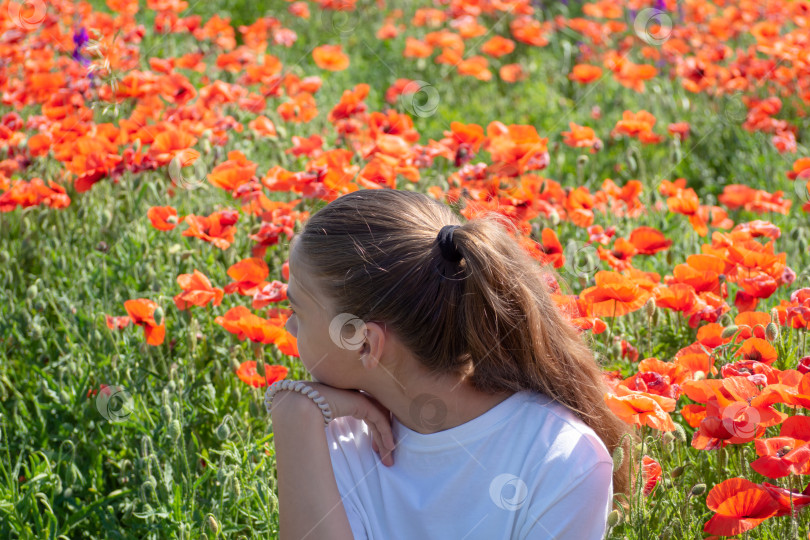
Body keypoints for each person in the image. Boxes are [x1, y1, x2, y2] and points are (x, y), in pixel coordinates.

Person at [266, 188, 631, 540]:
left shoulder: (560, 460)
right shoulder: (332, 434)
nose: (289, 325)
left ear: (364, 343)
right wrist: (294, 414)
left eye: (297, 309)